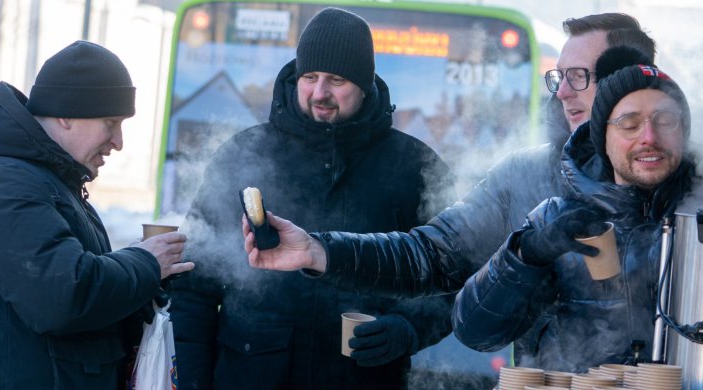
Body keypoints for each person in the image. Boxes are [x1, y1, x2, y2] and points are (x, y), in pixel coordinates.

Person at [242, 14, 656, 292]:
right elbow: (429, 254)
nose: (563, 92)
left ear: (628, 79)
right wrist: (318, 250)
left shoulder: (701, 181)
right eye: (559, 77)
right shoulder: (523, 174)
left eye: (579, 77)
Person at [169, 7, 456, 390]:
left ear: (365, 84)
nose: (320, 93)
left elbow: (456, 272)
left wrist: (409, 327)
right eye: (310, 77)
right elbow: (193, 287)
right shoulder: (244, 155)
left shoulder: (415, 167)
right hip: (250, 376)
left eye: (336, 79)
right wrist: (192, 383)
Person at [451, 46, 703, 371]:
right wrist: (526, 254)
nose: (649, 137)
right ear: (603, 137)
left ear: (683, 132)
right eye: (629, 124)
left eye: (666, 121)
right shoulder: (557, 217)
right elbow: (475, 333)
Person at [0, 41, 193, 389]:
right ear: (66, 114)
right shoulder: (3, 182)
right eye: (110, 123)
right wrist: (144, 263)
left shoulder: (49, 182)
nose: (118, 142)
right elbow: (62, 297)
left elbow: (77, 288)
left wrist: (141, 276)